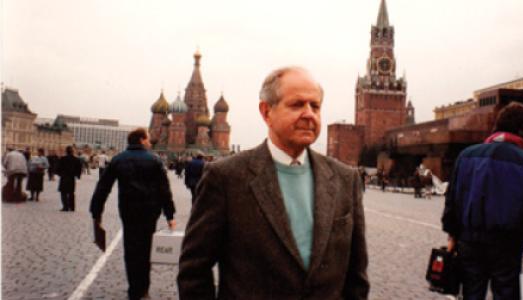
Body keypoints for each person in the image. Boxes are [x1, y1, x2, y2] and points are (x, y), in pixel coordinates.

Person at [178, 66, 369, 299]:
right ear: (266, 111)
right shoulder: (226, 177)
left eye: (315, 106)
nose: (309, 113)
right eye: (297, 104)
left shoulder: (345, 179)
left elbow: (356, 275)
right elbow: (194, 270)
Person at [441, 102, 523, 299]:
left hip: (469, 243)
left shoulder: (466, 156)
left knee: (471, 295)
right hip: (506, 247)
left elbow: (453, 200)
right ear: (520, 129)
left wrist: (452, 238)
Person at [90, 128, 176, 300]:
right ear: (142, 140)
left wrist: (96, 211)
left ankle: (134, 290)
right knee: (146, 248)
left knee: (131, 249)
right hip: (150, 211)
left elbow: (103, 187)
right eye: (149, 139)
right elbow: (164, 190)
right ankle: (143, 289)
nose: (150, 143)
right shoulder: (155, 160)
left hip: (128, 210)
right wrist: (170, 215)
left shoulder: (118, 160)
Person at [57, 146, 82, 211]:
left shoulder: (62, 159)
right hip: (71, 178)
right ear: (72, 152)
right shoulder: (76, 159)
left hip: (64, 177)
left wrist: (60, 174)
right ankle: (72, 207)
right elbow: (79, 169)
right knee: (71, 192)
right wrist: (78, 176)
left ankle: (65, 207)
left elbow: (58, 168)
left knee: (63, 193)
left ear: (66, 151)